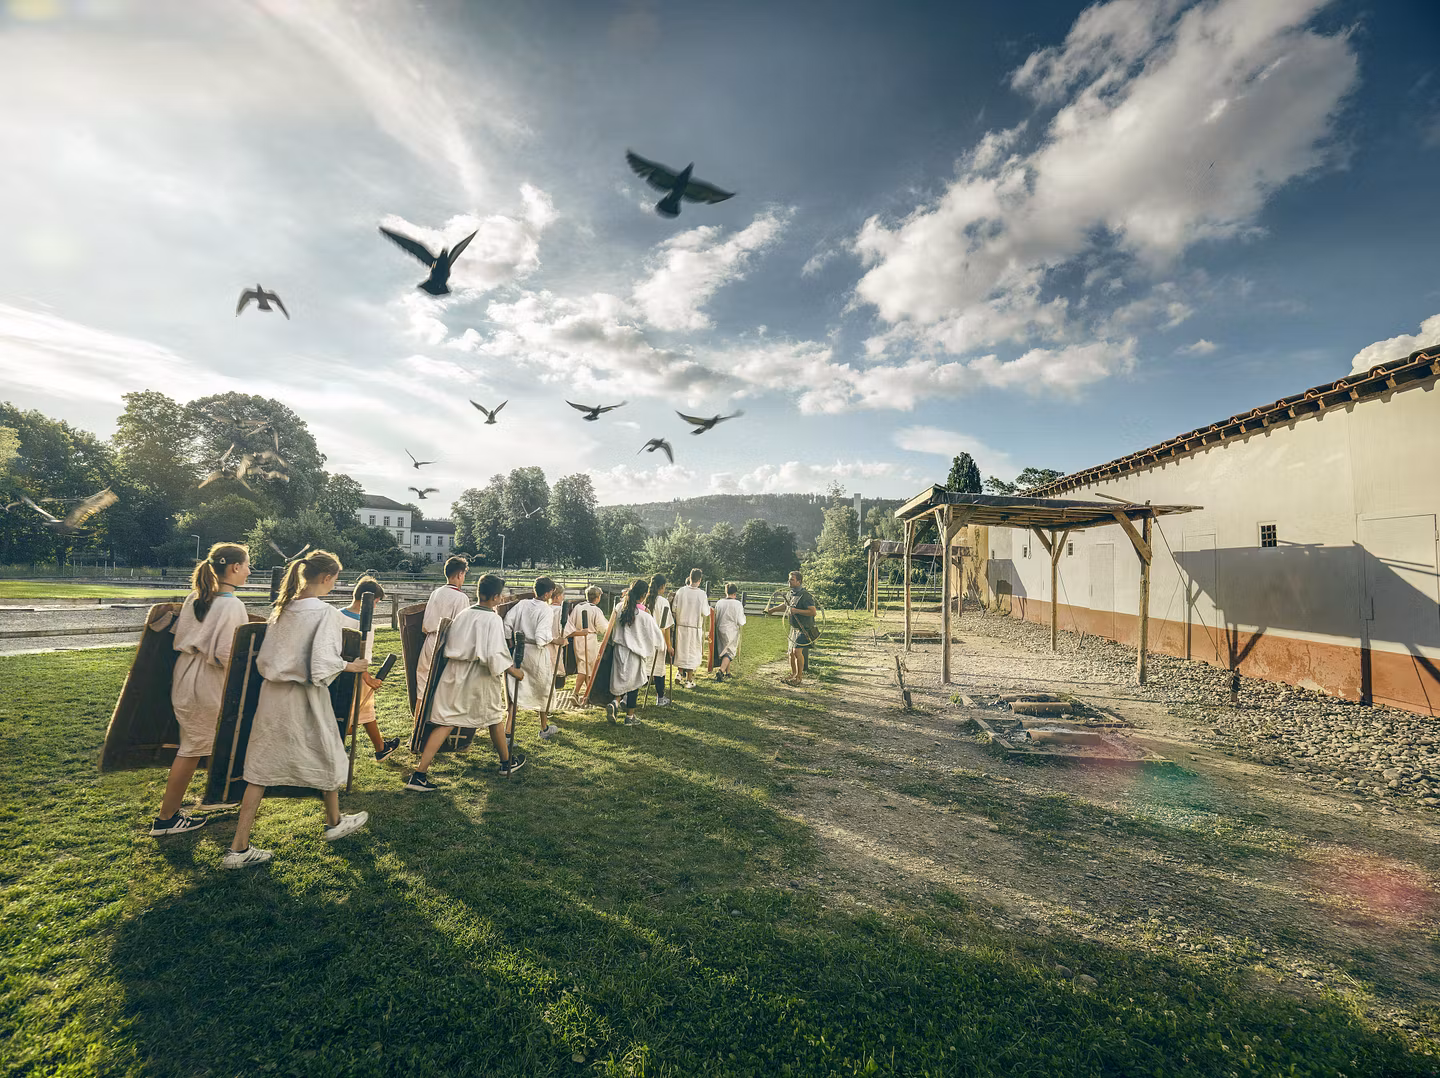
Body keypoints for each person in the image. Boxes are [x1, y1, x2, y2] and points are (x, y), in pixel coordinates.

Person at [225, 550, 370, 869]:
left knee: (260, 768)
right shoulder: (325, 613)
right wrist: (351, 665)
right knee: (329, 751)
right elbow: (321, 664)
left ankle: (239, 848)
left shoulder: (282, 608)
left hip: (272, 695)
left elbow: (269, 657)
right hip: (304, 696)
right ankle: (333, 823)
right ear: (327, 578)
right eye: (336, 579)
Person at [150, 542, 252, 836]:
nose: (248, 571)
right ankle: (166, 818)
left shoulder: (197, 595)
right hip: (206, 679)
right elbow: (226, 654)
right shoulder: (231, 604)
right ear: (234, 568)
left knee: (203, 743)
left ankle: (214, 797)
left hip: (185, 673)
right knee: (193, 748)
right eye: (246, 565)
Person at [405, 573, 526, 789]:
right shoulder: (492, 619)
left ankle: (419, 773)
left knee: (446, 722)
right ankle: (506, 763)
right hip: (478, 676)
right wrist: (513, 671)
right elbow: (495, 654)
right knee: (494, 718)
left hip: (453, 673)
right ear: (496, 597)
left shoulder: (463, 613)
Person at [340, 575, 400, 762]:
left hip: (336, 672)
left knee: (365, 712)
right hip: (355, 675)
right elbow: (363, 657)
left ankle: (381, 747)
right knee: (358, 713)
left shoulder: (335, 615)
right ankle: (375, 745)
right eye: (377, 602)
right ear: (373, 600)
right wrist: (368, 679)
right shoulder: (367, 626)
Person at [503, 576, 561, 738]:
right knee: (543, 689)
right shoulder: (546, 610)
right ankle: (543, 728)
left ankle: (508, 731)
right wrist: (557, 640)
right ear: (548, 593)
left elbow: (507, 624)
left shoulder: (522, 604)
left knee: (516, 691)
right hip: (536, 653)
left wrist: (511, 642)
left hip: (520, 651)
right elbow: (541, 637)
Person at [606, 577, 665, 725]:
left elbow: (610, 628)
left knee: (621, 681)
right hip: (635, 654)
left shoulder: (619, 608)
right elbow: (657, 637)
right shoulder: (645, 617)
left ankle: (615, 702)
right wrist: (660, 646)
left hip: (619, 651)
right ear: (644, 595)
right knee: (634, 684)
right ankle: (629, 717)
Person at [415, 556, 470, 704]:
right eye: (464, 574)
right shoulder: (461, 597)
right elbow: (460, 630)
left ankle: (417, 726)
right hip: (444, 644)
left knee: (422, 687)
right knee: (443, 690)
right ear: (460, 574)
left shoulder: (435, 593)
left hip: (428, 642)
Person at [765, 570, 818, 685]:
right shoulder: (791, 593)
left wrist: (796, 611)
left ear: (799, 581)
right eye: (789, 579)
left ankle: (799, 678)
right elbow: (786, 606)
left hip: (805, 629)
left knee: (797, 652)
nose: (789, 581)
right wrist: (772, 610)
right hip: (794, 628)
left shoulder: (806, 596)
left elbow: (813, 612)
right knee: (791, 653)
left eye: (792, 580)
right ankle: (793, 674)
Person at [564, 586, 608, 703]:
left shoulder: (578, 607)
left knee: (585, 665)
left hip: (578, 637)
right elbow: (603, 627)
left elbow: (571, 623)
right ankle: (576, 693)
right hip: (589, 637)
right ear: (598, 598)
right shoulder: (595, 610)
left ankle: (589, 694)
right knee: (586, 666)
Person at [670, 568, 711, 689]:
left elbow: (674, 608)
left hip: (681, 626)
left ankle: (679, 673)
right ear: (700, 580)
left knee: (682, 650)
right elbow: (705, 612)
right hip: (694, 627)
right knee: (692, 653)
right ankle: (689, 680)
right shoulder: (702, 594)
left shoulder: (681, 591)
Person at [643, 573, 673, 706]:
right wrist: (669, 645)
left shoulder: (644, 599)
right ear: (662, 586)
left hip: (644, 639)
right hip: (658, 638)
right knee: (659, 670)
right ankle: (660, 698)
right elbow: (666, 627)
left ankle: (627, 697)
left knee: (642, 667)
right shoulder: (663, 602)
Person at [712, 583, 747, 682]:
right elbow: (741, 621)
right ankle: (721, 671)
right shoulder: (737, 604)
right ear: (735, 593)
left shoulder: (720, 603)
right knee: (729, 652)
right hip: (731, 630)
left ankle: (728, 672)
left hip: (720, 629)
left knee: (724, 650)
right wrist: (744, 619)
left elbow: (716, 617)